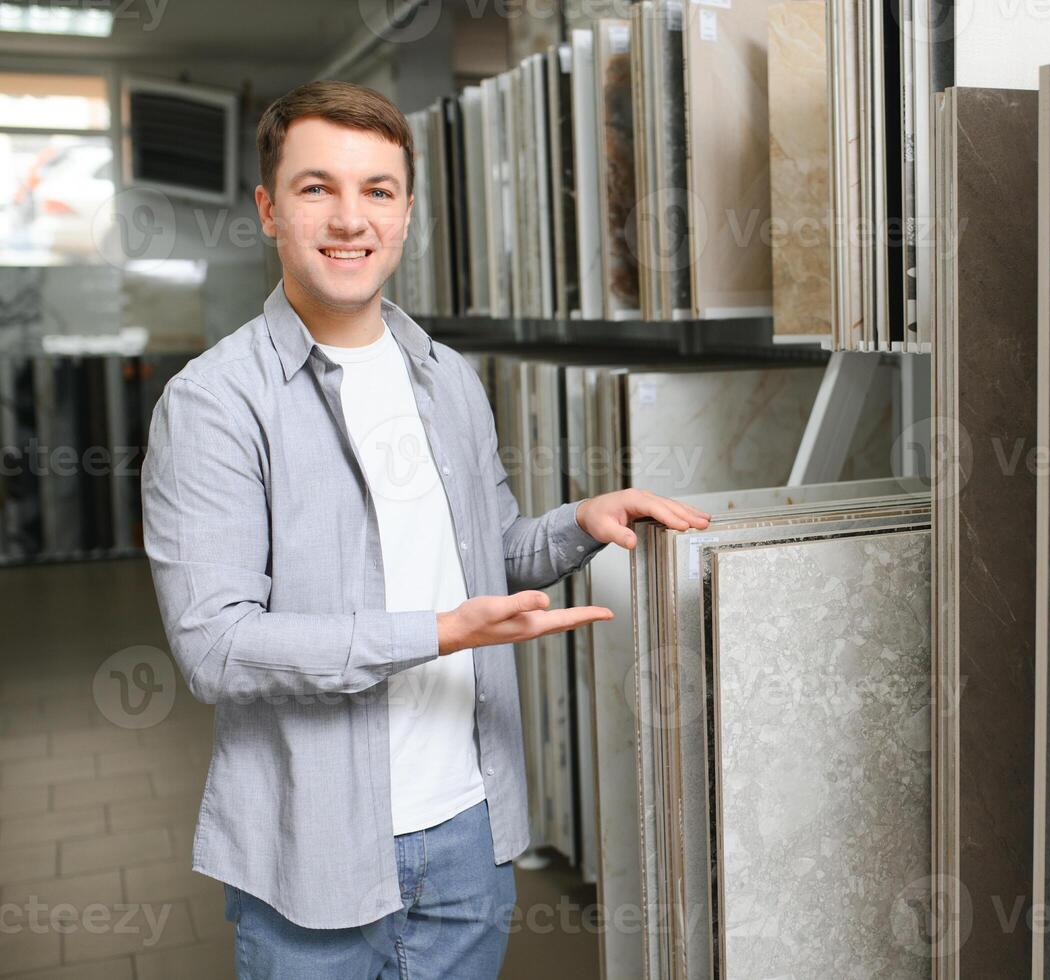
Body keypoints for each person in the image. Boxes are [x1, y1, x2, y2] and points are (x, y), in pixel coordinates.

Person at [141, 79, 710, 979]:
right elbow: (216, 647)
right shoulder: (215, 403)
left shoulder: (444, 378)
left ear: (406, 212)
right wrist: (442, 633)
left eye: (377, 190)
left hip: (466, 832)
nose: (348, 218)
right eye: (315, 187)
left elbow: (487, 558)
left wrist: (581, 524)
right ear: (267, 209)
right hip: (313, 852)